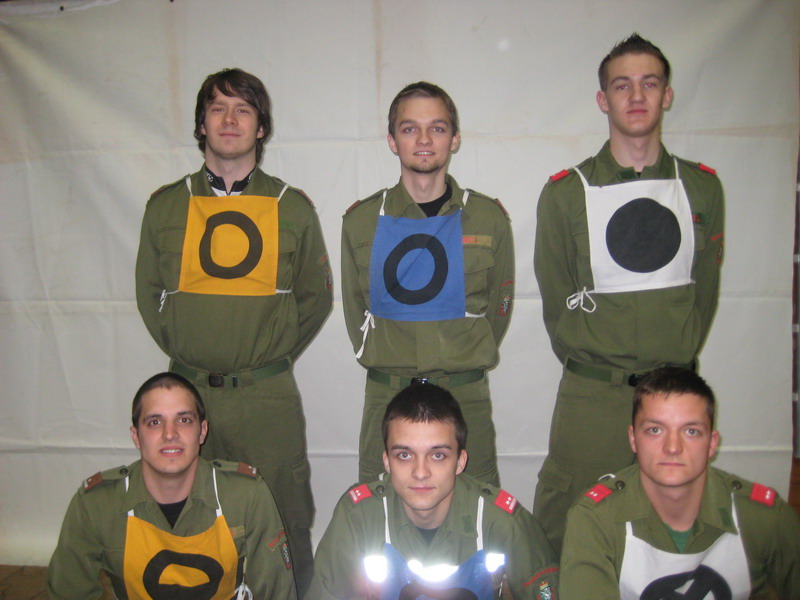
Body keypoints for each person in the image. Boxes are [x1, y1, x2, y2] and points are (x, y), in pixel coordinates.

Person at [135, 67, 332, 594]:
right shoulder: (167, 206)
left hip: (266, 399)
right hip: (187, 394)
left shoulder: (291, 207)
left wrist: (268, 352)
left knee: (282, 517)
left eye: (243, 109)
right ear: (201, 123)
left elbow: (315, 298)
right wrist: (193, 348)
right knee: (189, 516)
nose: (229, 119)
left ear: (260, 127)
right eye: (217, 108)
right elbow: (149, 295)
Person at [532, 33, 725, 554]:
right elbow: (557, 300)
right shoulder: (565, 194)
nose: (636, 96)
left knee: (671, 528)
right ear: (604, 99)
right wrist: (598, 359)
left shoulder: (702, 188)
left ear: (667, 95)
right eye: (622, 86)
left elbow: (703, 293)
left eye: (649, 83)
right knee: (571, 525)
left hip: (675, 396)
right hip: (592, 396)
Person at [342, 81, 514, 487]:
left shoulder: (487, 218)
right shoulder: (362, 221)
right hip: (388, 396)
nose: (423, 140)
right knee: (381, 507)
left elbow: (498, 307)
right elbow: (355, 309)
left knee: (477, 506)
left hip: (464, 396)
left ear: (454, 139)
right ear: (392, 140)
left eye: (436, 128)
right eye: (409, 128)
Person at [47, 372, 296, 600]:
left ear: (202, 431)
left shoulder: (245, 495)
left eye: (184, 420)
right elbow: (68, 593)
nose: (170, 433)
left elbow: (276, 592)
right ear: (136, 436)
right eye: (155, 422)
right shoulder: (96, 504)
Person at [560, 367, 800, 599]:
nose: (673, 447)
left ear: (712, 443)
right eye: (655, 430)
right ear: (633, 439)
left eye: (691, 431)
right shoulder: (595, 520)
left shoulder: (763, 518)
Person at [307, 383, 558, 600]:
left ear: (460, 461)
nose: (420, 472)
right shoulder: (358, 516)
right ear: (386, 461)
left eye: (437, 455)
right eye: (404, 455)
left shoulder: (503, 522)